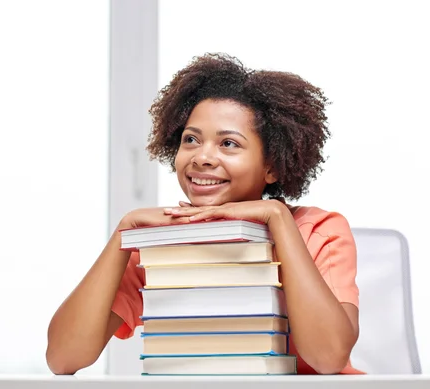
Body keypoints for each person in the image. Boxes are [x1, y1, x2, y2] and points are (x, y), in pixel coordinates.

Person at [46, 53, 362, 375]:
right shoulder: (158, 245)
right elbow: (63, 358)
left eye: (228, 143)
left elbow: (329, 358)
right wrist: (124, 232)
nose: (202, 157)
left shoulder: (319, 231)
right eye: (191, 140)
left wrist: (277, 217)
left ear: (272, 166)